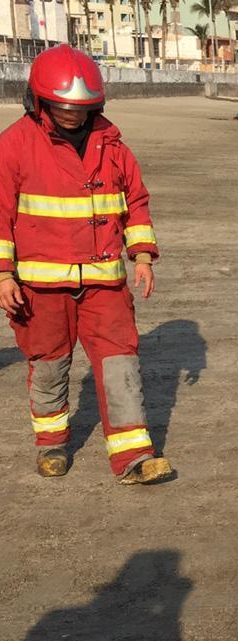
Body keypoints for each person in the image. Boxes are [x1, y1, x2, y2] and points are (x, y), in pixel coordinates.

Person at [0, 45, 173, 485]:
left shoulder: (112, 146)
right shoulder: (14, 146)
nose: (73, 117)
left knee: (120, 363)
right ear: (40, 102)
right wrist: (3, 274)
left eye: (82, 109)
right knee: (49, 364)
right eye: (63, 108)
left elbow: (135, 203)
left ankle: (134, 456)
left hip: (104, 284)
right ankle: (52, 445)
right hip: (40, 287)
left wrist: (143, 256)